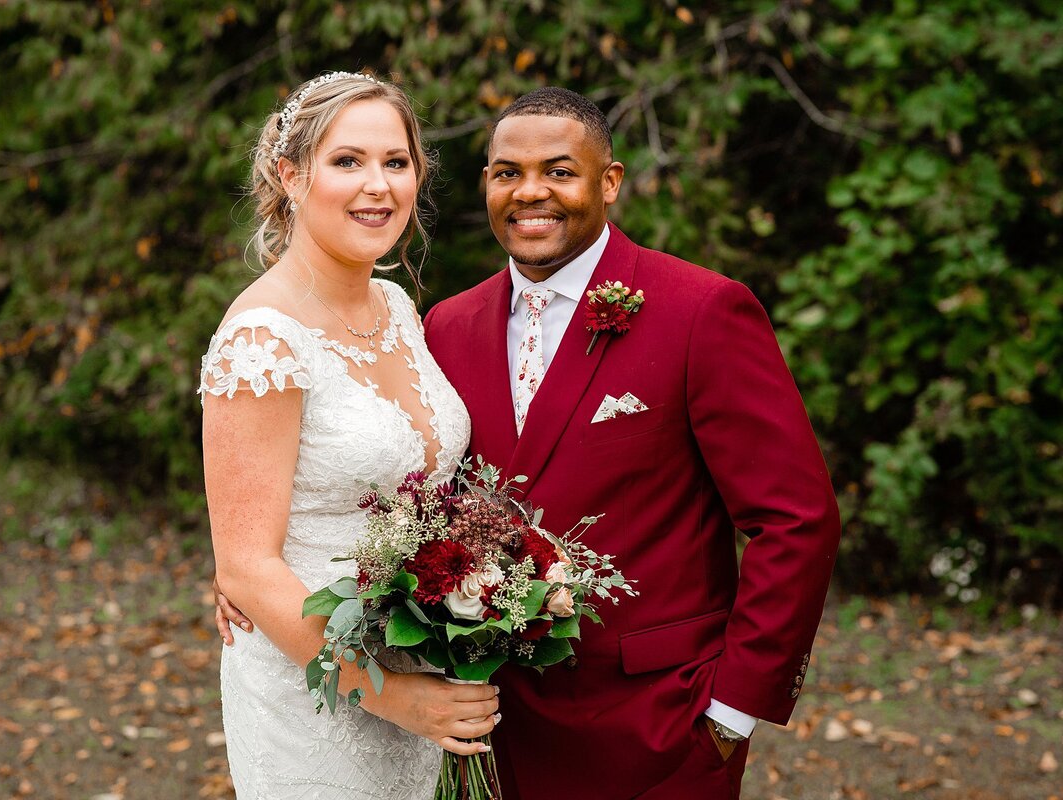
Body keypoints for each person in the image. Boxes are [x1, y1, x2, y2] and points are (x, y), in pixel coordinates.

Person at [217, 86, 839, 799]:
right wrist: (253, 561)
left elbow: (796, 518)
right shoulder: (446, 324)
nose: (531, 192)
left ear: (609, 182)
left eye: (561, 171)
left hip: (658, 727)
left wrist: (733, 710)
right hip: (485, 724)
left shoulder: (701, 311)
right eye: (507, 172)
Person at [198, 71, 498, 799]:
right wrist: (390, 695)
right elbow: (246, 568)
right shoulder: (263, 339)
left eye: (396, 163)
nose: (378, 186)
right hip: (317, 690)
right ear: (290, 174)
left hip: (419, 658)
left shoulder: (395, 306)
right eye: (347, 161)